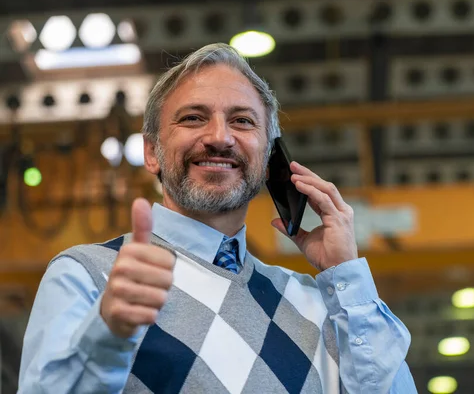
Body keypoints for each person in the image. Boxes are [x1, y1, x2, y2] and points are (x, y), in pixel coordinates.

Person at [18, 43, 417, 394]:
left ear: (267, 160)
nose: (220, 137)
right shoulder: (89, 275)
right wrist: (107, 334)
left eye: (242, 121)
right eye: (193, 118)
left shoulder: (318, 301)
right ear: (152, 152)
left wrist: (346, 276)